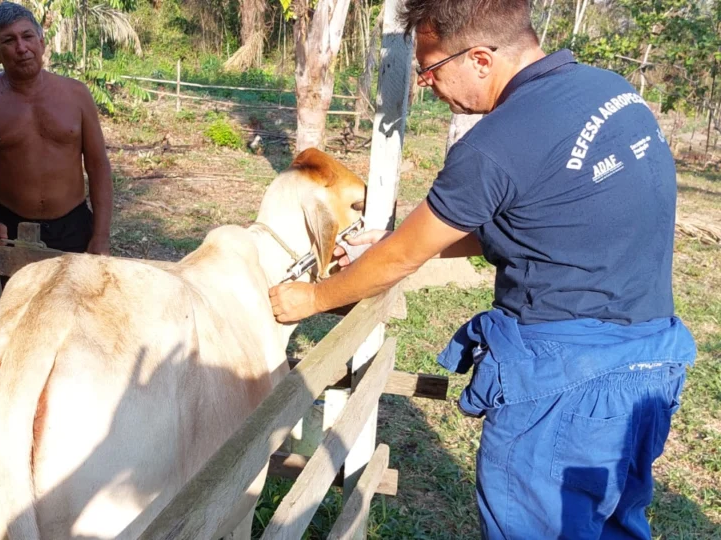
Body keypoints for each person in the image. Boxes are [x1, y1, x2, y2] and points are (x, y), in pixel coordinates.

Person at [269, 1, 696, 538]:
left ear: (478, 59)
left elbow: (400, 261)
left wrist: (312, 299)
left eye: (429, 69)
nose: (427, 85)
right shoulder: (611, 92)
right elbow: (544, 217)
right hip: (650, 363)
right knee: (610, 524)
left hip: (564, 383)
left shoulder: (495, 144)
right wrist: (405, 240)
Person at [0, 1, 112, 323]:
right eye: (9, 41)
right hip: (5, 230)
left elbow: (98, 167)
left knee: (80, 323)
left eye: (28, 37)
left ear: (42, 42)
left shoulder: (76, 95)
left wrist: (100, 235)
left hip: (73, 227)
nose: (22, 48)